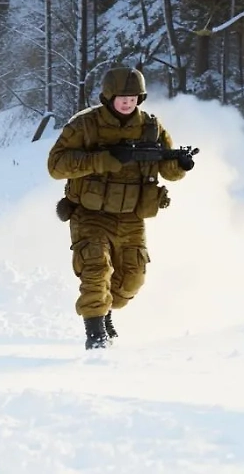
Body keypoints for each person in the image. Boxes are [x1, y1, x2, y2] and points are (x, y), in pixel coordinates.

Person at [46, 67, 194, 350]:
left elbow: (168, 170)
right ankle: (95, 334)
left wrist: (181, 164)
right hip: (90, 213)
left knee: (132, 279)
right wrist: (102, 159)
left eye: (134, 98)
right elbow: (56, 166)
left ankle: (106, 312)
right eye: (122, 98)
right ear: (109, 96)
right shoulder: (85, 125)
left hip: (131, 216)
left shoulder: (151, 127)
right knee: (96, 268)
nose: (128, 103)